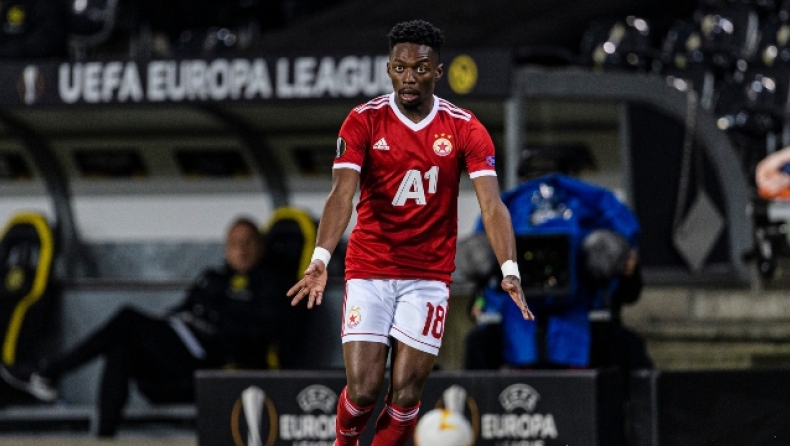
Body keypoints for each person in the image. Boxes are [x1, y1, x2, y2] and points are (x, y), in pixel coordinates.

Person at [286, 19, 533, 446]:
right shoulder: (363, 121)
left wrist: (509, 268)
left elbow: (492, 205)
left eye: (420, 68)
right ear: (389, 69)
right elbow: (341, 195)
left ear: (438, 71)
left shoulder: (464, 127)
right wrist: (321, 259)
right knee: (364, 390)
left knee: (405, 393)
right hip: (370, 269)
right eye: (400, 68)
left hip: (428, 276)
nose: (409, 77)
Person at [0, 216, 290, 437]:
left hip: (213, 360)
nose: (240, 250)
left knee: (128, 319)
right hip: (177, 352)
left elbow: (261, 333)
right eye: (234, 243)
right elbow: (181, 312)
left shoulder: (270, 284)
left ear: (260, 246)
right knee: (122, 347)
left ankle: (48, 371)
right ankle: (104, 436)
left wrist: (218, 322)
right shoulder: (212, 278)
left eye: (248, 242)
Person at [461, 146, 648, 370]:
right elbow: (629, 291)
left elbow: (626, 288)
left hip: (559, 329)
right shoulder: (598, 208)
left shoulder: (505, 209)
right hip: (545, 331)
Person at [0, 0, 68, 59]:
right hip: (8, 60)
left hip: (40, 63)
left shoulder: (47, 5)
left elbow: (46, 41)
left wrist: (7, 51)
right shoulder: (7, 4)